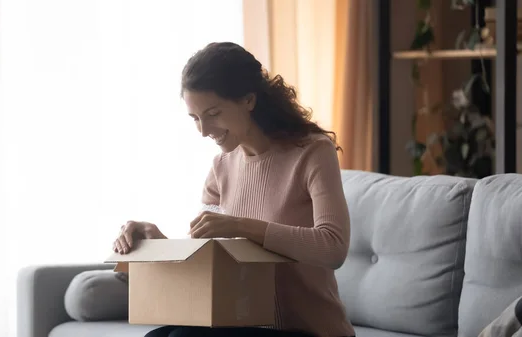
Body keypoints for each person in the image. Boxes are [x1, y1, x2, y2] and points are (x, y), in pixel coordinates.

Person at [112, 42, 355, 337]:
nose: (203, 130)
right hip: (246, 327)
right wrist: (155, 243)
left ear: (248, 100)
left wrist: (242, 226)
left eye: (213, 113)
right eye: (195, 118)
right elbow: (205, 258)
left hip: (311, 331)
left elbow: (333, 248)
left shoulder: (312, 152)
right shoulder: (221, 167)